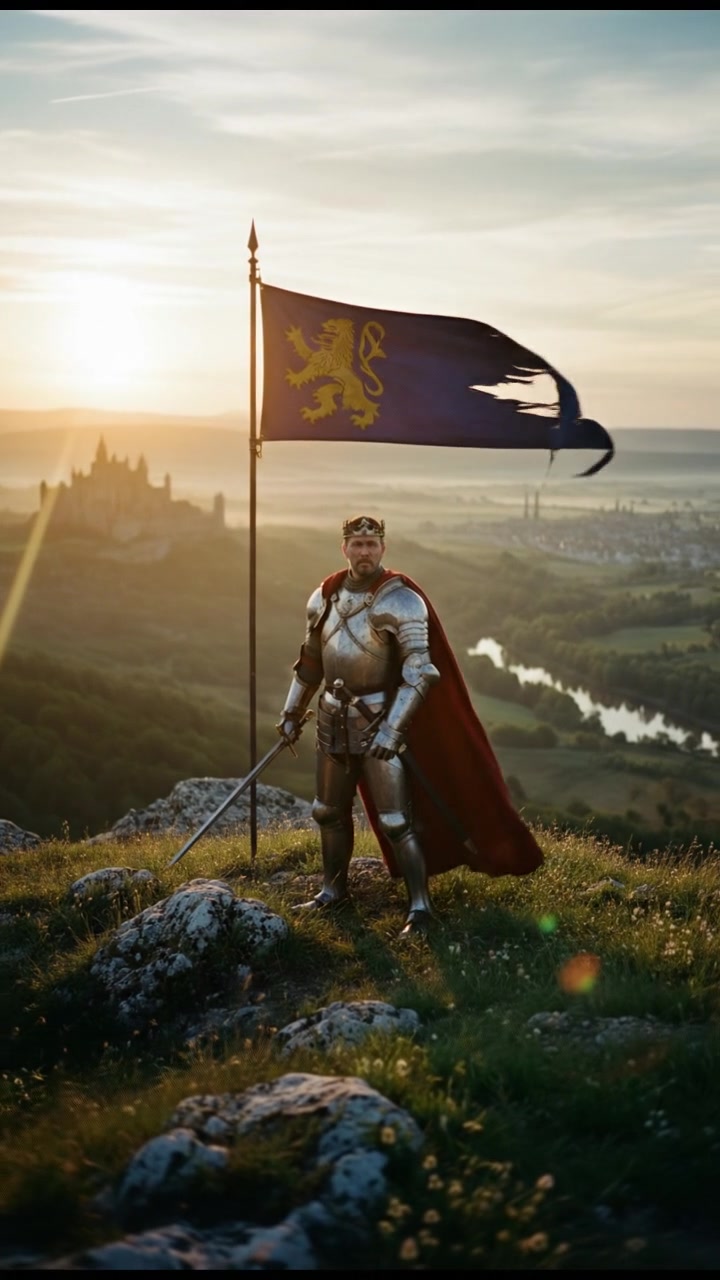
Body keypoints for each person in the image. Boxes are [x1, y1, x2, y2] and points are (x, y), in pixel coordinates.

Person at [276, 515, 543, 936]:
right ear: (343, 547)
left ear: (383, 548)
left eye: (372, 544)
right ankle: (332, 891)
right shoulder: (324, 596)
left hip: (379, 718)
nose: (364, 551)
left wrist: (392, 730)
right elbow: (310, 663)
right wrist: (292, 713)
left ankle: (420, 906)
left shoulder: (400, 600)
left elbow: (420, 673)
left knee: (397, 821)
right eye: (357, 543)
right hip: (331, 720)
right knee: (327, 811)